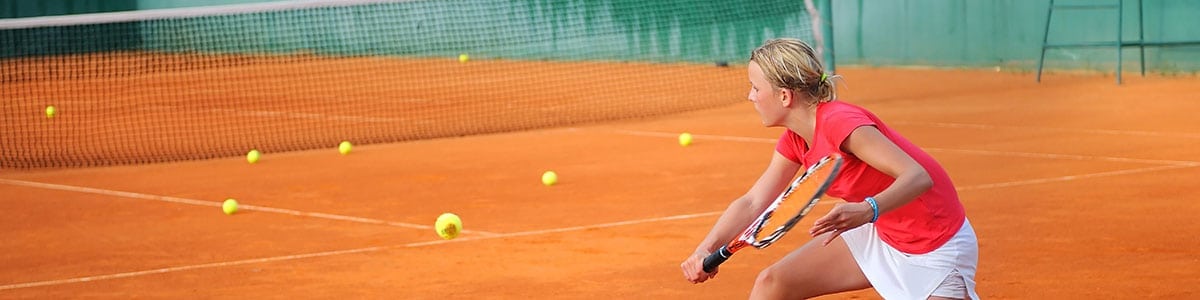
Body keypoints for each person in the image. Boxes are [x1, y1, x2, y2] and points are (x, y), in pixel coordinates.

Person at [679, 38, 979, 300]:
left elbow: (917, 176)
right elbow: (753, 201)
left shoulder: (840, 122)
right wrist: (706, 249)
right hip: (884, 233)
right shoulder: (796, 139)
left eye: (756, 88)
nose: (751, 96)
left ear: (785, 96)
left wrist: (866, 210)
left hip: (935, 243)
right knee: (772, 285)